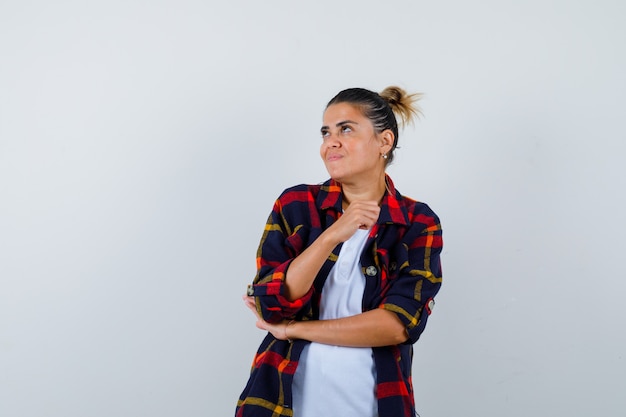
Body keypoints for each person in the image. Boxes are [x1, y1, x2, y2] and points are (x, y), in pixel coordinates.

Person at [235, 86, 443, 417]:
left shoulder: (417, 222)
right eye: (326, 132)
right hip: (281, 404)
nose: (330, 142)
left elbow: (398, 325)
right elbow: (271, 303)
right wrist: (331, 236)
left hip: (375, 405)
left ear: (384, 142)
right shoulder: (296, 206)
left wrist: (293, 330)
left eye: (345, 129)